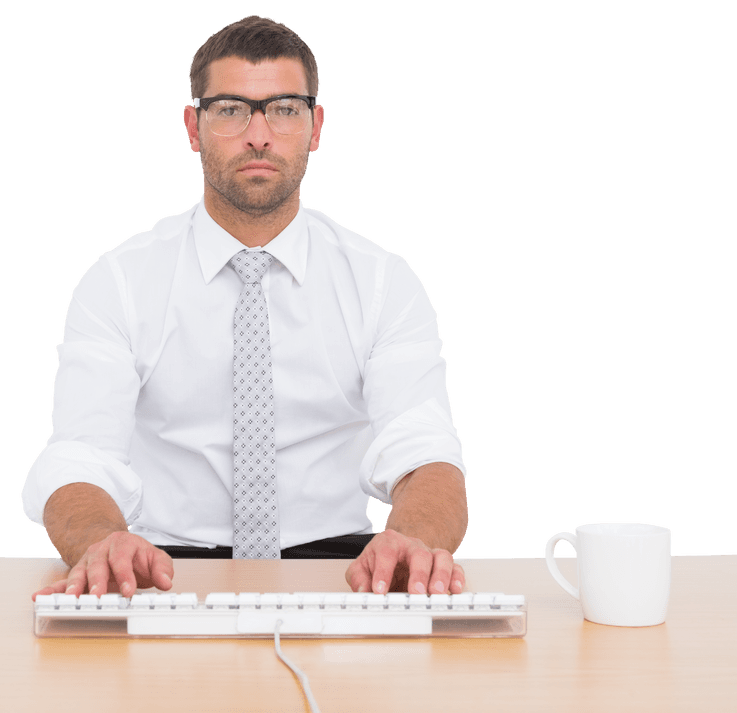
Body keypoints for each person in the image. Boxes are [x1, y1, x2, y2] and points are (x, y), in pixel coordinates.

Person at [23, 15, 469, 601]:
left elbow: (423, 445)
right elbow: (81, 454)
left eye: (284, 109)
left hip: (344, 569)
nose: (259, 135)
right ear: (193, 126)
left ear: (315, 127)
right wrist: (99, 542)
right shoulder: (120, 282)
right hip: (163, 570)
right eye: (231, 109)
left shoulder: (383, 281)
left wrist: (412, 540)